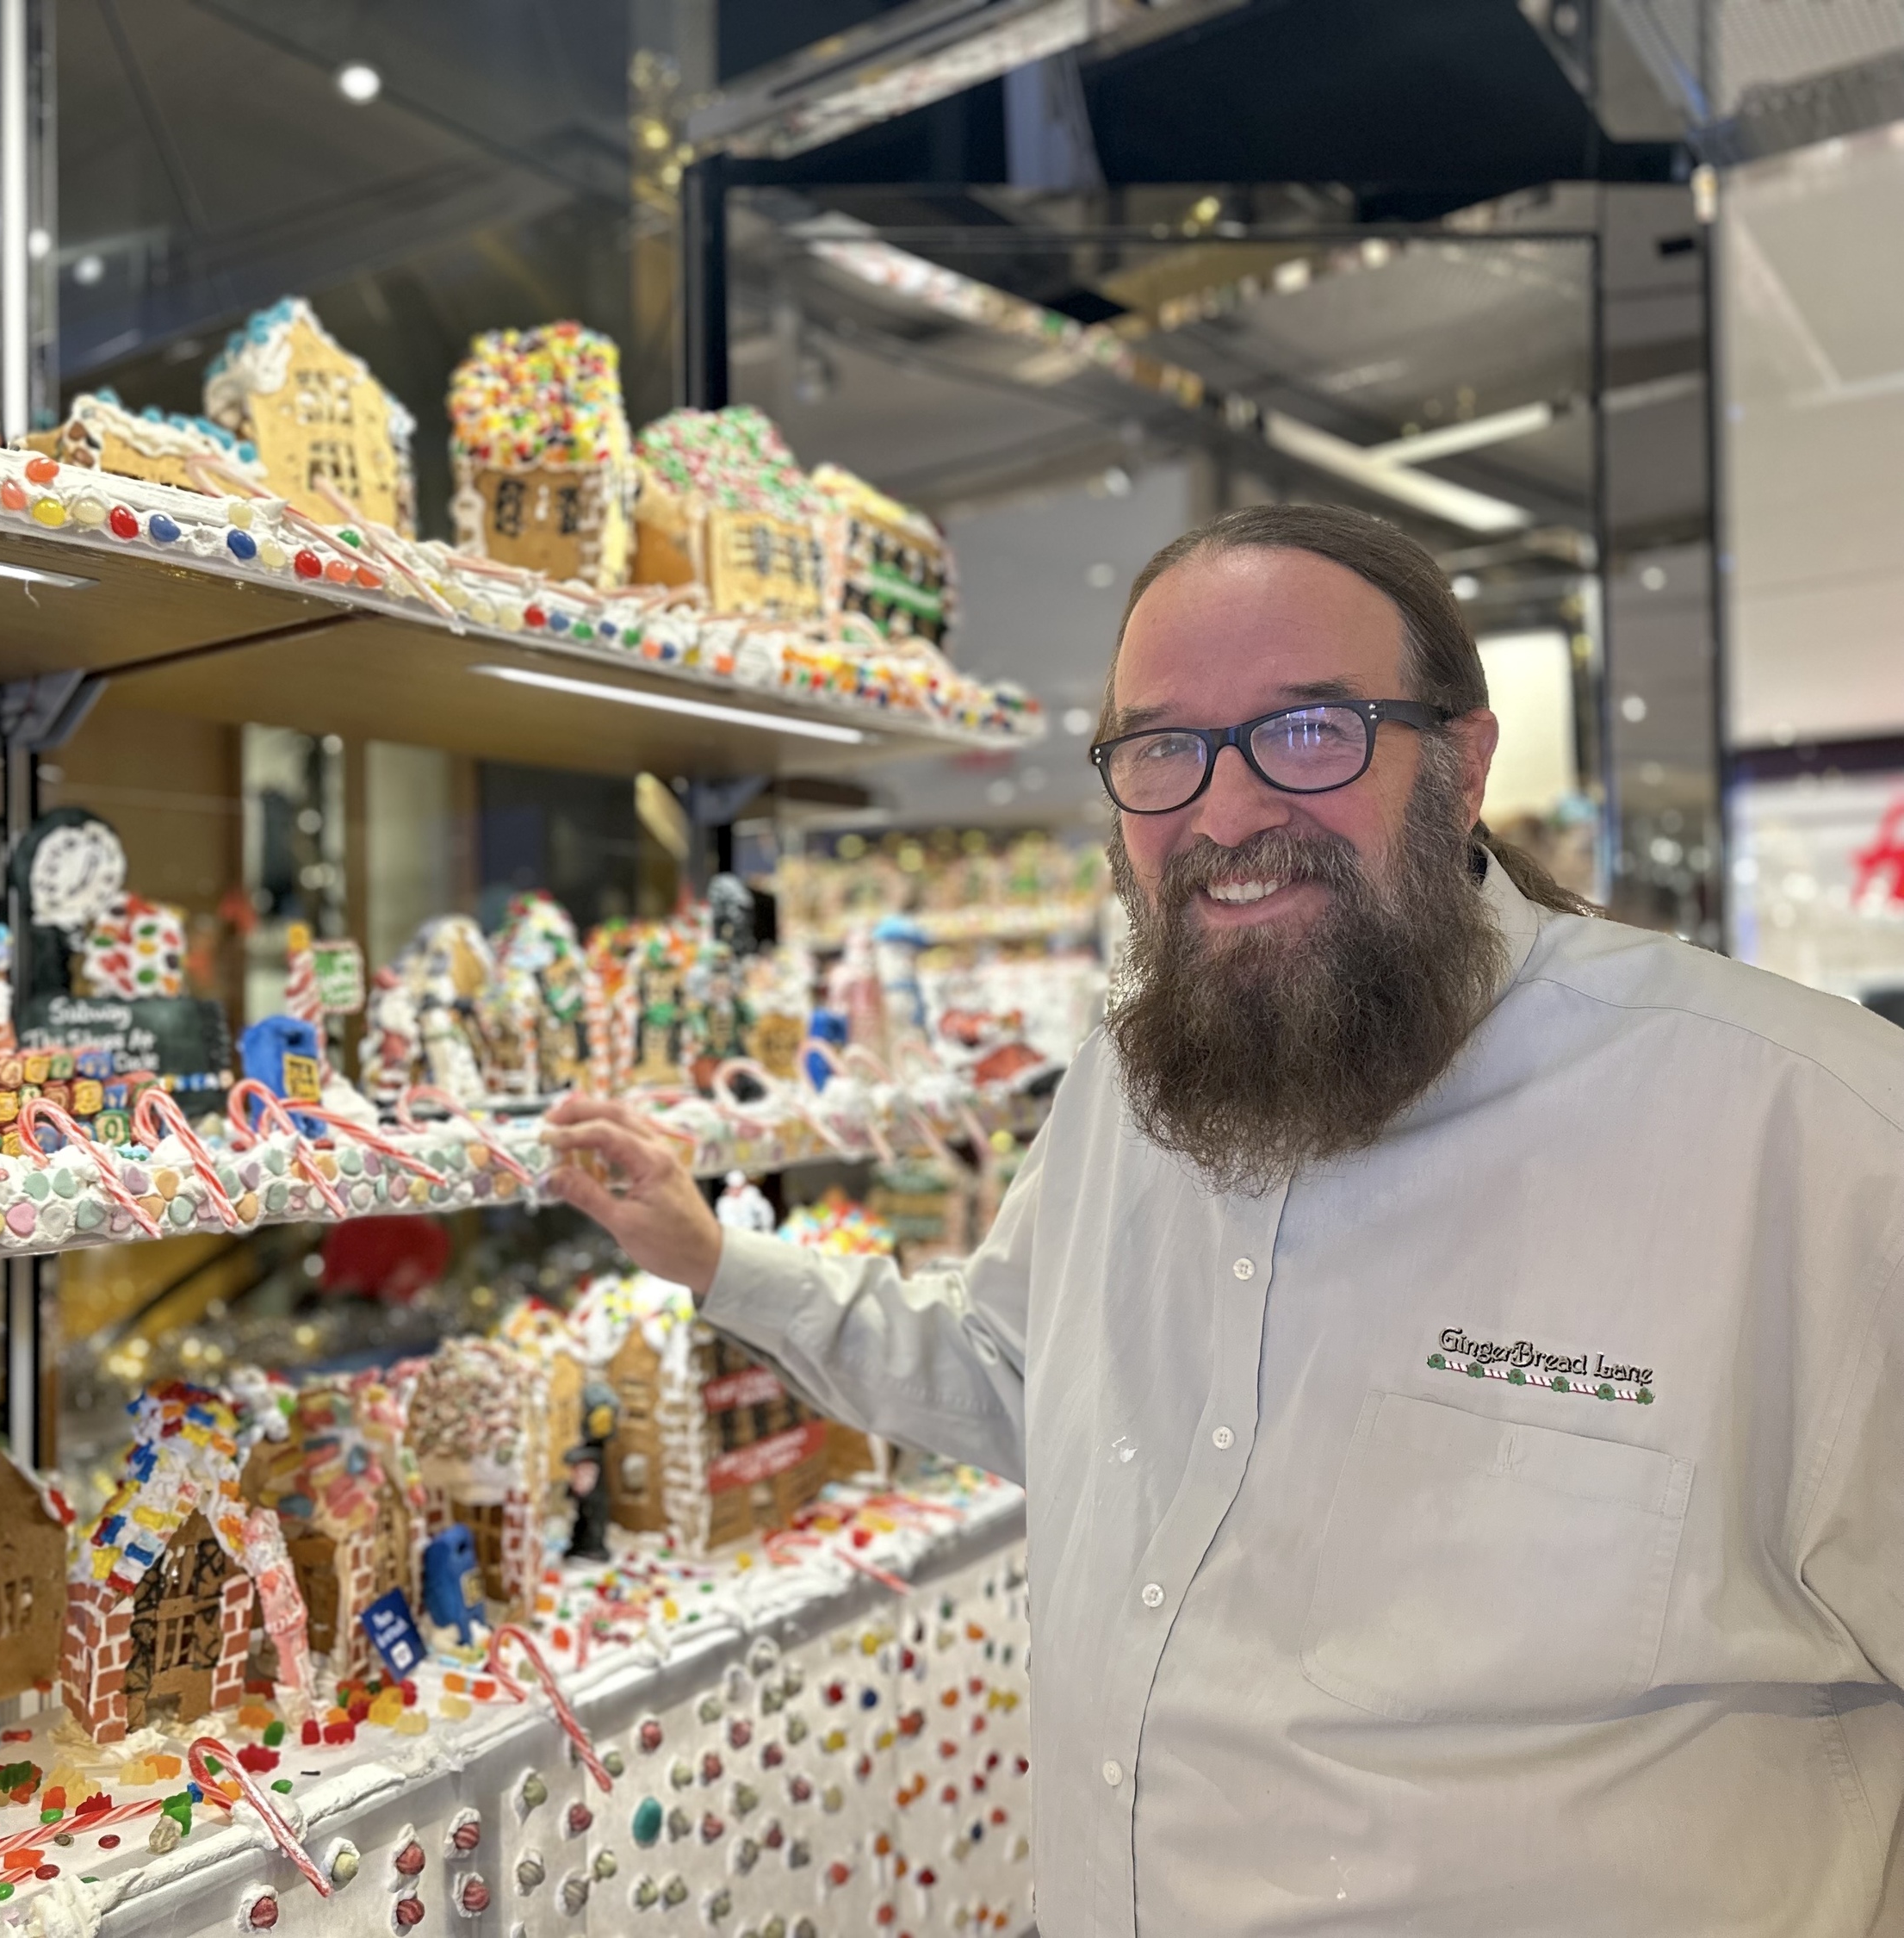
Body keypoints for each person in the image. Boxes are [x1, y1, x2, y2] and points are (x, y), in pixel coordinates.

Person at [544, 502, 1904, 1937]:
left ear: (1462, 765)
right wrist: (716, 1260)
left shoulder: (1806, 1132)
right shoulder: (1128, 1097)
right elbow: (1023, 1374)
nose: (1228, 809)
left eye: (1310, 729)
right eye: (1162, 749)